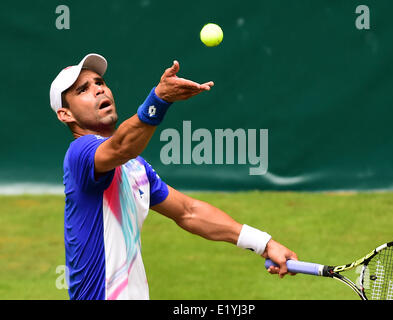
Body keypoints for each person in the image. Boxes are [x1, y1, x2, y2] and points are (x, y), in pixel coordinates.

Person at [49, 53, 298, 300]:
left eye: (100, 83)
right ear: (66, 114)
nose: (99, 90)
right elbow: (122, 146)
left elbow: (188, 211)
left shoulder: (135, 166)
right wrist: (159, 99)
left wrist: (265, 244)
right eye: (83, 89)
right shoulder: (80, 153)